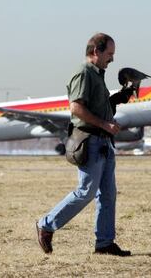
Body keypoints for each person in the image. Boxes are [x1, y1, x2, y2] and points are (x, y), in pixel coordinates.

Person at [36, 33, 133, 256]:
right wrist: (105, 125)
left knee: (108, 194)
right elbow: (76, 108)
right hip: (90, 140)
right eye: (109, 54)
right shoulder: (83, 73)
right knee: (86, 192)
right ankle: (46, 225)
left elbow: (97, 105)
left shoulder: (97, 74)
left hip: (104, 142)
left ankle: (105, 243)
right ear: (95, 51)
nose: (112, 59)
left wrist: (116, 99)